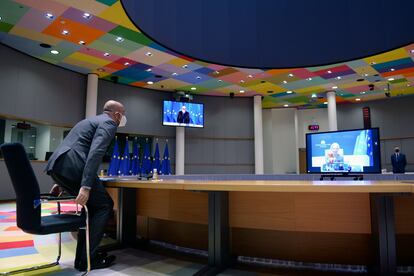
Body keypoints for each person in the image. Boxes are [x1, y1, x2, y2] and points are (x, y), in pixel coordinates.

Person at [45, 100, 127, 271]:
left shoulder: (90, 120)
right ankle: (88, 258)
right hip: (74, 167)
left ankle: (84, 258)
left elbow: (73, 146)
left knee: (92, 206)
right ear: (118, 115)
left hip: (59, 166)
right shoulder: (109, 123)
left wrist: (59, 182)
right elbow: (96, 152)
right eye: (123, 114)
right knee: (104, 205)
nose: (123, 118)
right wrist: (86, 185)